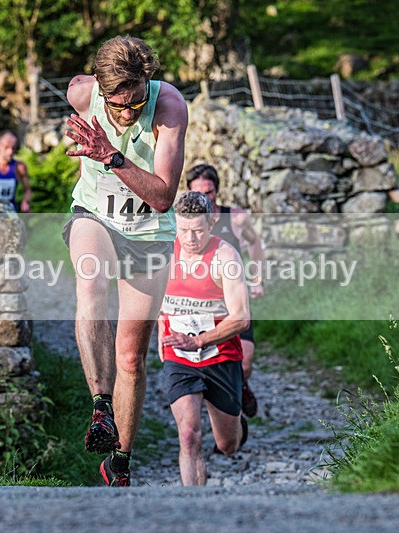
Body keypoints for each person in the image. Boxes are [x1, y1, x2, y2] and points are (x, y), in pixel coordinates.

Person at [62, 35, 188, 487]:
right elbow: (73, 123)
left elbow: (162, 196)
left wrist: (110, 155)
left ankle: (120, 458)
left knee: (131, 355)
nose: (129, 113)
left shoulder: (169, 106)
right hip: (95, 214)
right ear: (99, 87)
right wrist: (74, 136)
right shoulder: (81, 92)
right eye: (119, 105)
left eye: (136, 103)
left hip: (149, 234)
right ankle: (100, 406)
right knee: (90, 283)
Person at [159, 191, 251, 486]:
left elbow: (241, 317)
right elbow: (150, 304)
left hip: (221, 355)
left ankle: (237, 424)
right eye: (183, 229)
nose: (190, 238)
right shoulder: (162, 254)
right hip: (179, 357)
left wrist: (200, 341)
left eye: (198, 230)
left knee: (228, 445)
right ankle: (194, 508)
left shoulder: (225, 256)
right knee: (188, 435)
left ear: (211, 223)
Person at [186, 164, 264, 418]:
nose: (203, 198)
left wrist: (257, 278)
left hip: (234, 302)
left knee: (245, 361)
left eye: (208, 193)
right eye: (197, 193)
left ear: (216, 191)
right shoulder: (184, 223)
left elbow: (254, 244)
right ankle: (219, 406)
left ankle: (240, 385)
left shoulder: (236, 217)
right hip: (199, 304)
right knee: (203, 359)